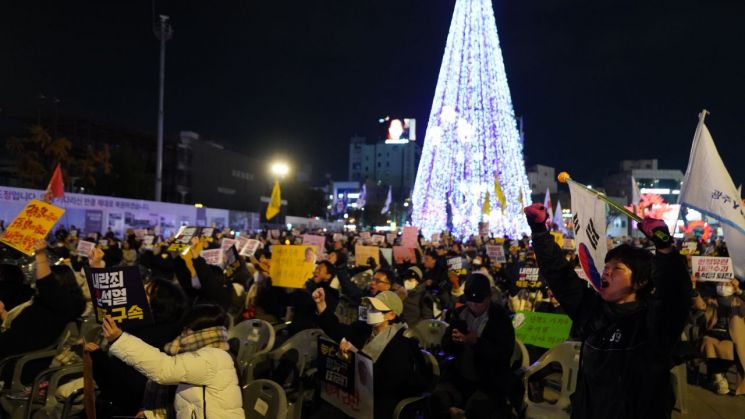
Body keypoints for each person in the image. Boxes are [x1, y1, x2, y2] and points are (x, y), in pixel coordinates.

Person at [524, 203, 691, 419]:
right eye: (606, 267)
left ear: (640, 282)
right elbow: (560, 276)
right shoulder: (593, 310)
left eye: (617, 269)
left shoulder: (653, 322)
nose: (606, 274)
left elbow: (675, 295)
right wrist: (539, 231)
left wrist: (665, 248)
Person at [101, 304, 243, 419]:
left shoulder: (212, 358)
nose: (183, 334)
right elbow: (189, 404)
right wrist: (154, 415)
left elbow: (164, 369)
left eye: (187, 329)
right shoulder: (211, 354)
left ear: (200, 332)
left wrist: (119, 339)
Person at [312, 288, 427, 419]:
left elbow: (390, 381)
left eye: (376, 309)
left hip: (379, 400)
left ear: (391, 315)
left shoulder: (401, 342)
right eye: (371, 306)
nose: (370, 311)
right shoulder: (365, 330)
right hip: (355, 394)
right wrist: (321, 305)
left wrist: (356, 356)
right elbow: (338, 330)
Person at [433, 273, 517, 418]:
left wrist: (477, 342)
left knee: (477, 409)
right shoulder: (460, 314)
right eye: (470, 302)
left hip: (488, 381)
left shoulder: (500, 319)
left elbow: (503, 355)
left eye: (478, 302)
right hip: (460, 377)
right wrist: (454, 341)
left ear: (488, 298)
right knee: (436, 400)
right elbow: (445, 346)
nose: (473, 306)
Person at [0, 240, 85, 362]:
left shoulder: (59, 307)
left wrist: (40, 255)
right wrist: (3, 314)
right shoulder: (46, 306)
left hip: (13, 362)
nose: (36, 282)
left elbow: (46, 284)